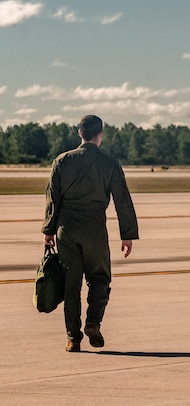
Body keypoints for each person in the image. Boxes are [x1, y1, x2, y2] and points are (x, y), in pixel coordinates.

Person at [42, 114, 139, 352]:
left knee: (71, 285)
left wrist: (48, 230)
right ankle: (93, 322)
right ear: (100, 134)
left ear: (79, 133)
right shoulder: (109, 164)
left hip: (67, 229)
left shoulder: (62, 161)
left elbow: (52, 199)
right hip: (95, 228)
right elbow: (122, 200)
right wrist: (127, 233)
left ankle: (72, 338)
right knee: (100, 278)